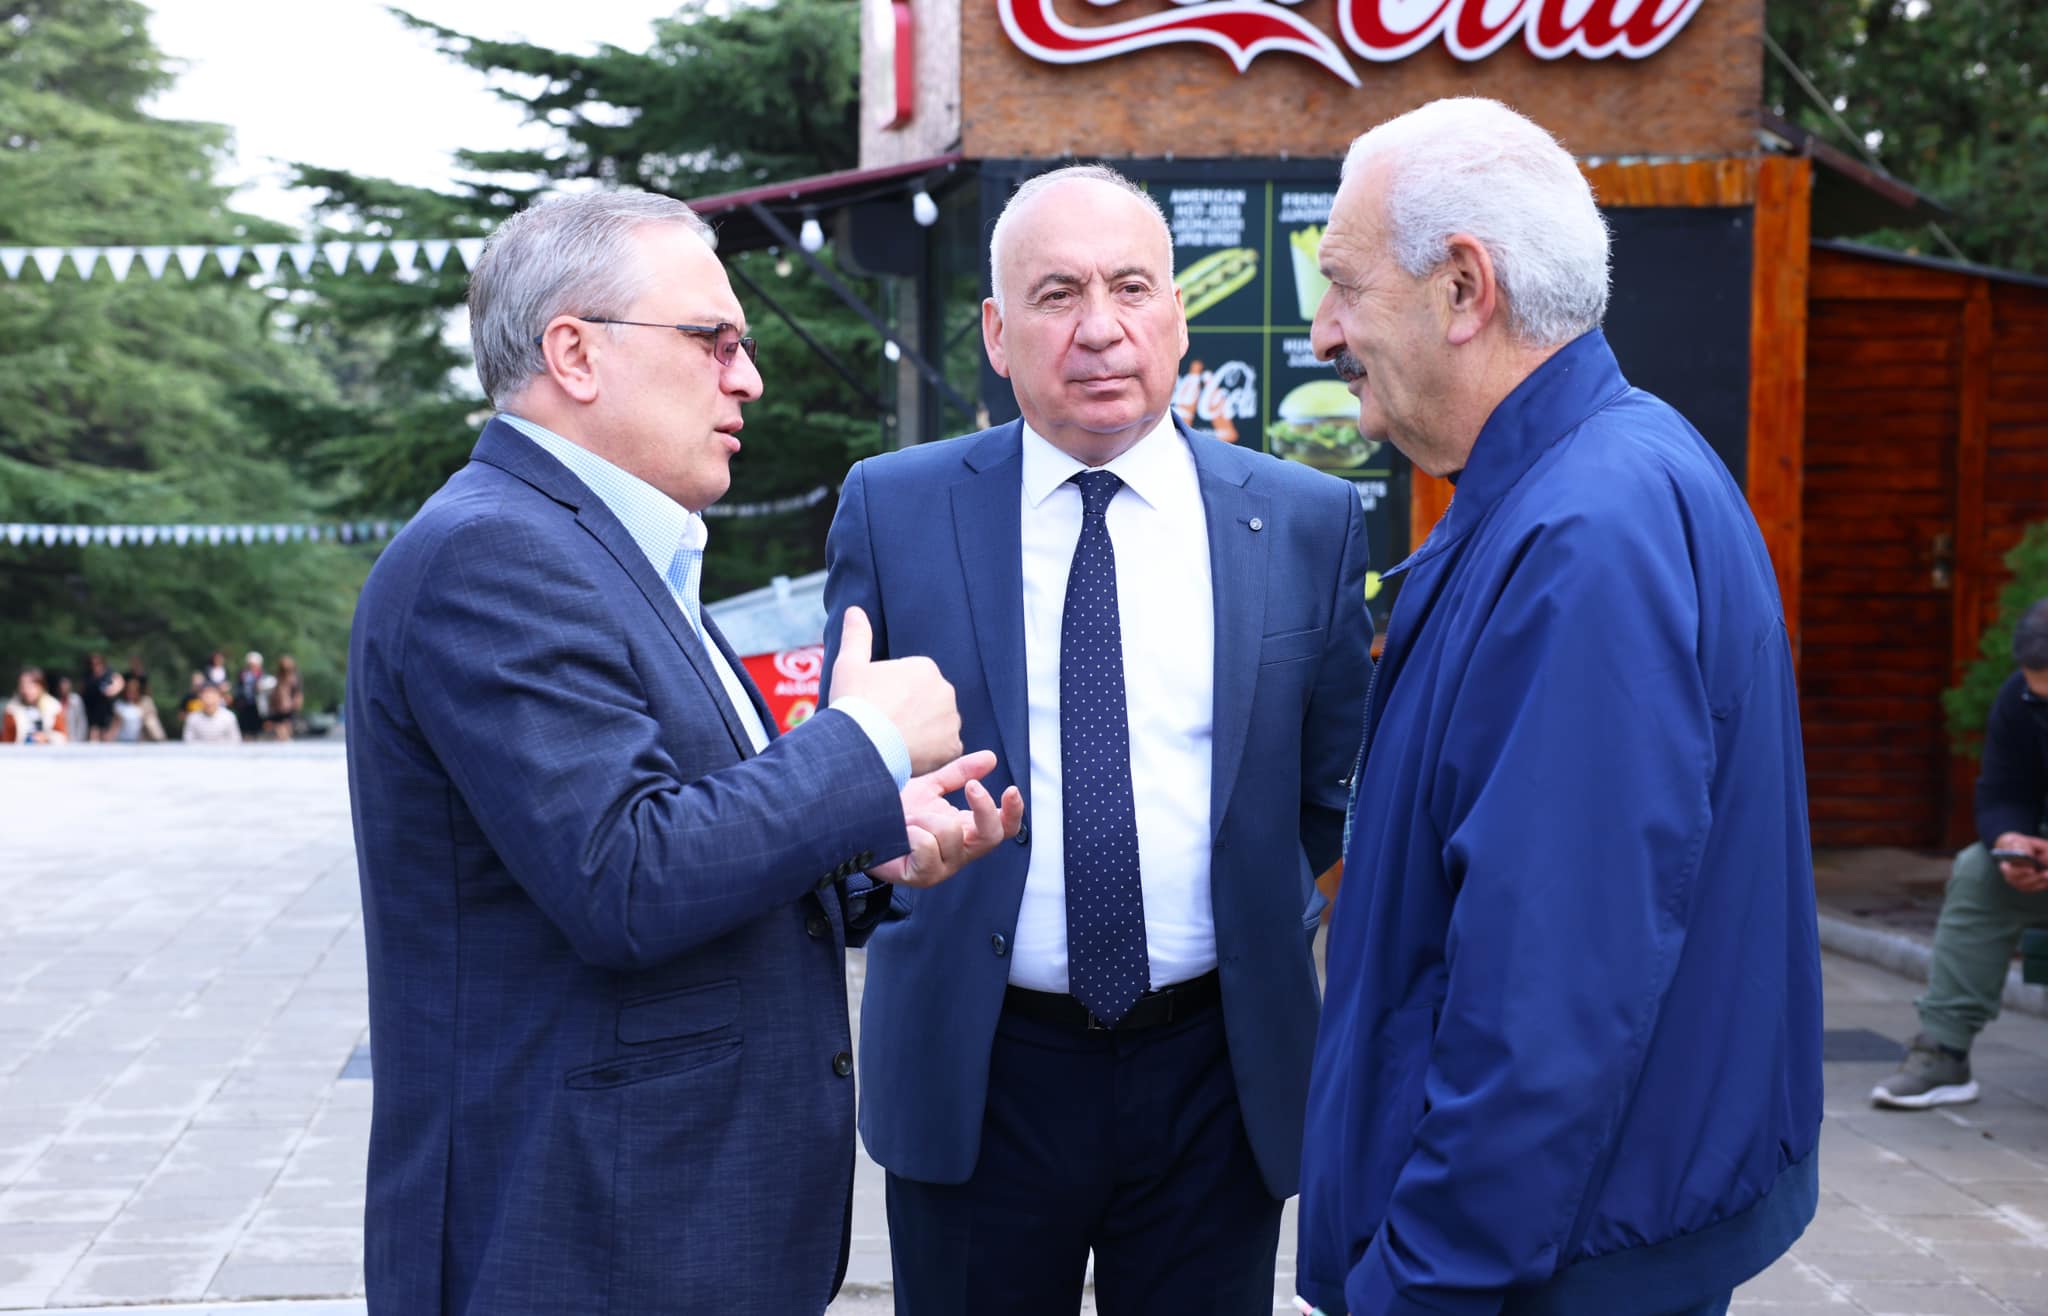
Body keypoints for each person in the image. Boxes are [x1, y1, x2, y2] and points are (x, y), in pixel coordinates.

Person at [346, 189, 1022, 1316]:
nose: (746, 377)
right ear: (574, 352)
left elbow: (680, 830)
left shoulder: (601, 549)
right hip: (583, 1240)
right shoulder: (494, 555)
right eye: (712, 340)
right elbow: (624, 876)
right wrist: (864, 740)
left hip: (659, 1224)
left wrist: (867, 841)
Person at [1294, 99, 1823, 1316]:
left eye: (1342, 285)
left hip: (1541, 1268)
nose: (1323, 330)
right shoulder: (1584, 481)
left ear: (1462, 288)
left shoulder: (1585, 533)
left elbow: (1546, 997)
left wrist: (1422, 1282)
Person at [823, 164, 1371, 1315]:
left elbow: (1322, 790)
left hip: (1217, 1073)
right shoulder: (893, 508)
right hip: (979, 1073)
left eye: (1129, 287)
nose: (1099, 327)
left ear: (1176, 314)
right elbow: (850, 780)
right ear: (996, 331)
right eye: (1057, 293)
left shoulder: (1302, 520)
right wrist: (874, 846)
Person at [1873, 598, 2048, 1109]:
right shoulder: (2019, 699)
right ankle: (1944, 1052)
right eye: (2039, 696)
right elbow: (2001, 792)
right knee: (1979, 869)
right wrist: (2010, 842)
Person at [3, 668, 69, 743]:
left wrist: (47, 737)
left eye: (31, 687)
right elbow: (7, 740)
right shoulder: (12, 709)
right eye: (23, 687)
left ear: (41, 686)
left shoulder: (53, 707)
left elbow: (62, 736)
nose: (26, 691)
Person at [80, 652, 123, 742]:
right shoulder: (87, 676)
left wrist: (110, 690)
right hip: (92, 713)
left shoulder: (110, 674)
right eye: (92, 664)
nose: (95, 666)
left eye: (98, 663)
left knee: (107, 739)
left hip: (108, 712)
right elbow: (82, 691)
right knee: (93, 738)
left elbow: (118, 684)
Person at [112, 677, 167, 743]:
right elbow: (116, 724)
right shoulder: (120, 704)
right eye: (129, 691)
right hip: (123, 739)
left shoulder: (146, 702)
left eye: (134, 691)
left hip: (141, 738)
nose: (131, 694)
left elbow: (152, 719)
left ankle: (160, 741)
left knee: (151, 720)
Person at [262, 655, 302, 740]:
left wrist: (295, 703)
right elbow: (275, 693)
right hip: (279, 707)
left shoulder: (294, 678)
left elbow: (297, 693)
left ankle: (285, 739)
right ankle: (283, 739)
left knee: (287, 726)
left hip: (289, 707)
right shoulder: (278, 678)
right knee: (280, 726)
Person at [234, 651, 265, 740]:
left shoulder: (262, 675)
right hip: (244, 704)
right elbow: (238, 688)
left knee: (256, 728)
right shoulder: (242, 674)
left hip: (257, 705)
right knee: (245, 728)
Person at [55, 676, 88, 749]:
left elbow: (81, 722)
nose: (64, 688)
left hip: (75, 740)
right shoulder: (57, 702)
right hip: (62, 741)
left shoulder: (76, 700)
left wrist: (79, 740)